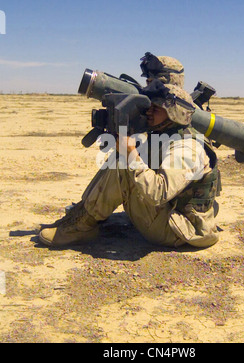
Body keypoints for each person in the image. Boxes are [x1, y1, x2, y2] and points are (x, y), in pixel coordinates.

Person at [39, 80, 220, 249]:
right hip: (175, 216)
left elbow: (158, 193)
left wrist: (131, 154)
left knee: (125, 165)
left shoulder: (188, 147)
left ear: (175, 114)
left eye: (156, 109)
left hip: (183, 231)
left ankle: (82, 227)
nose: (149, 112)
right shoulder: (166, 134)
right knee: (122, 160)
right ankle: (81, 217)